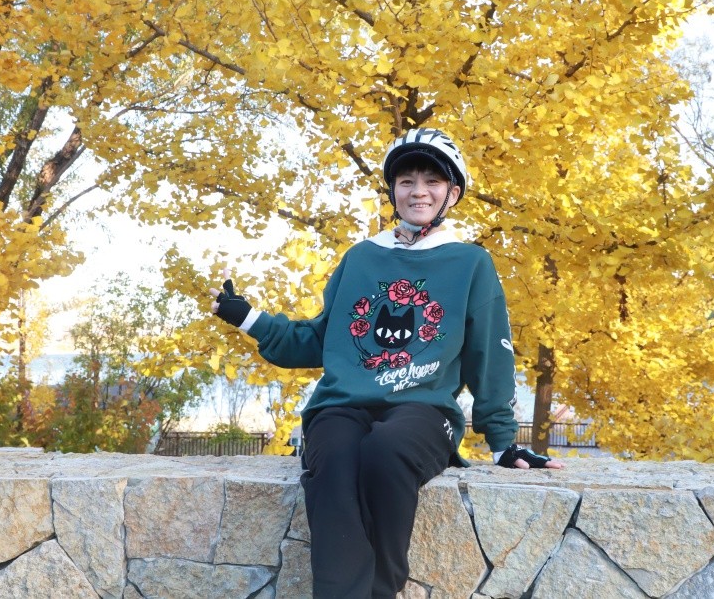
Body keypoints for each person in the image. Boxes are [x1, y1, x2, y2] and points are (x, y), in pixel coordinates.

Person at [211, 127, 563, 599]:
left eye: (432, 181)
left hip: (424, 411)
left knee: (386, 450)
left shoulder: (471, 263)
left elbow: (489, 355)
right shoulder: (360, 258)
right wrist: (250, 319)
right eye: (407, 181)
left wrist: (503, 443)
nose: (419, 191)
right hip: (341, 405)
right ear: (393, 191)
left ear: (452, 193)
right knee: (335, 460)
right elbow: (321, 340)